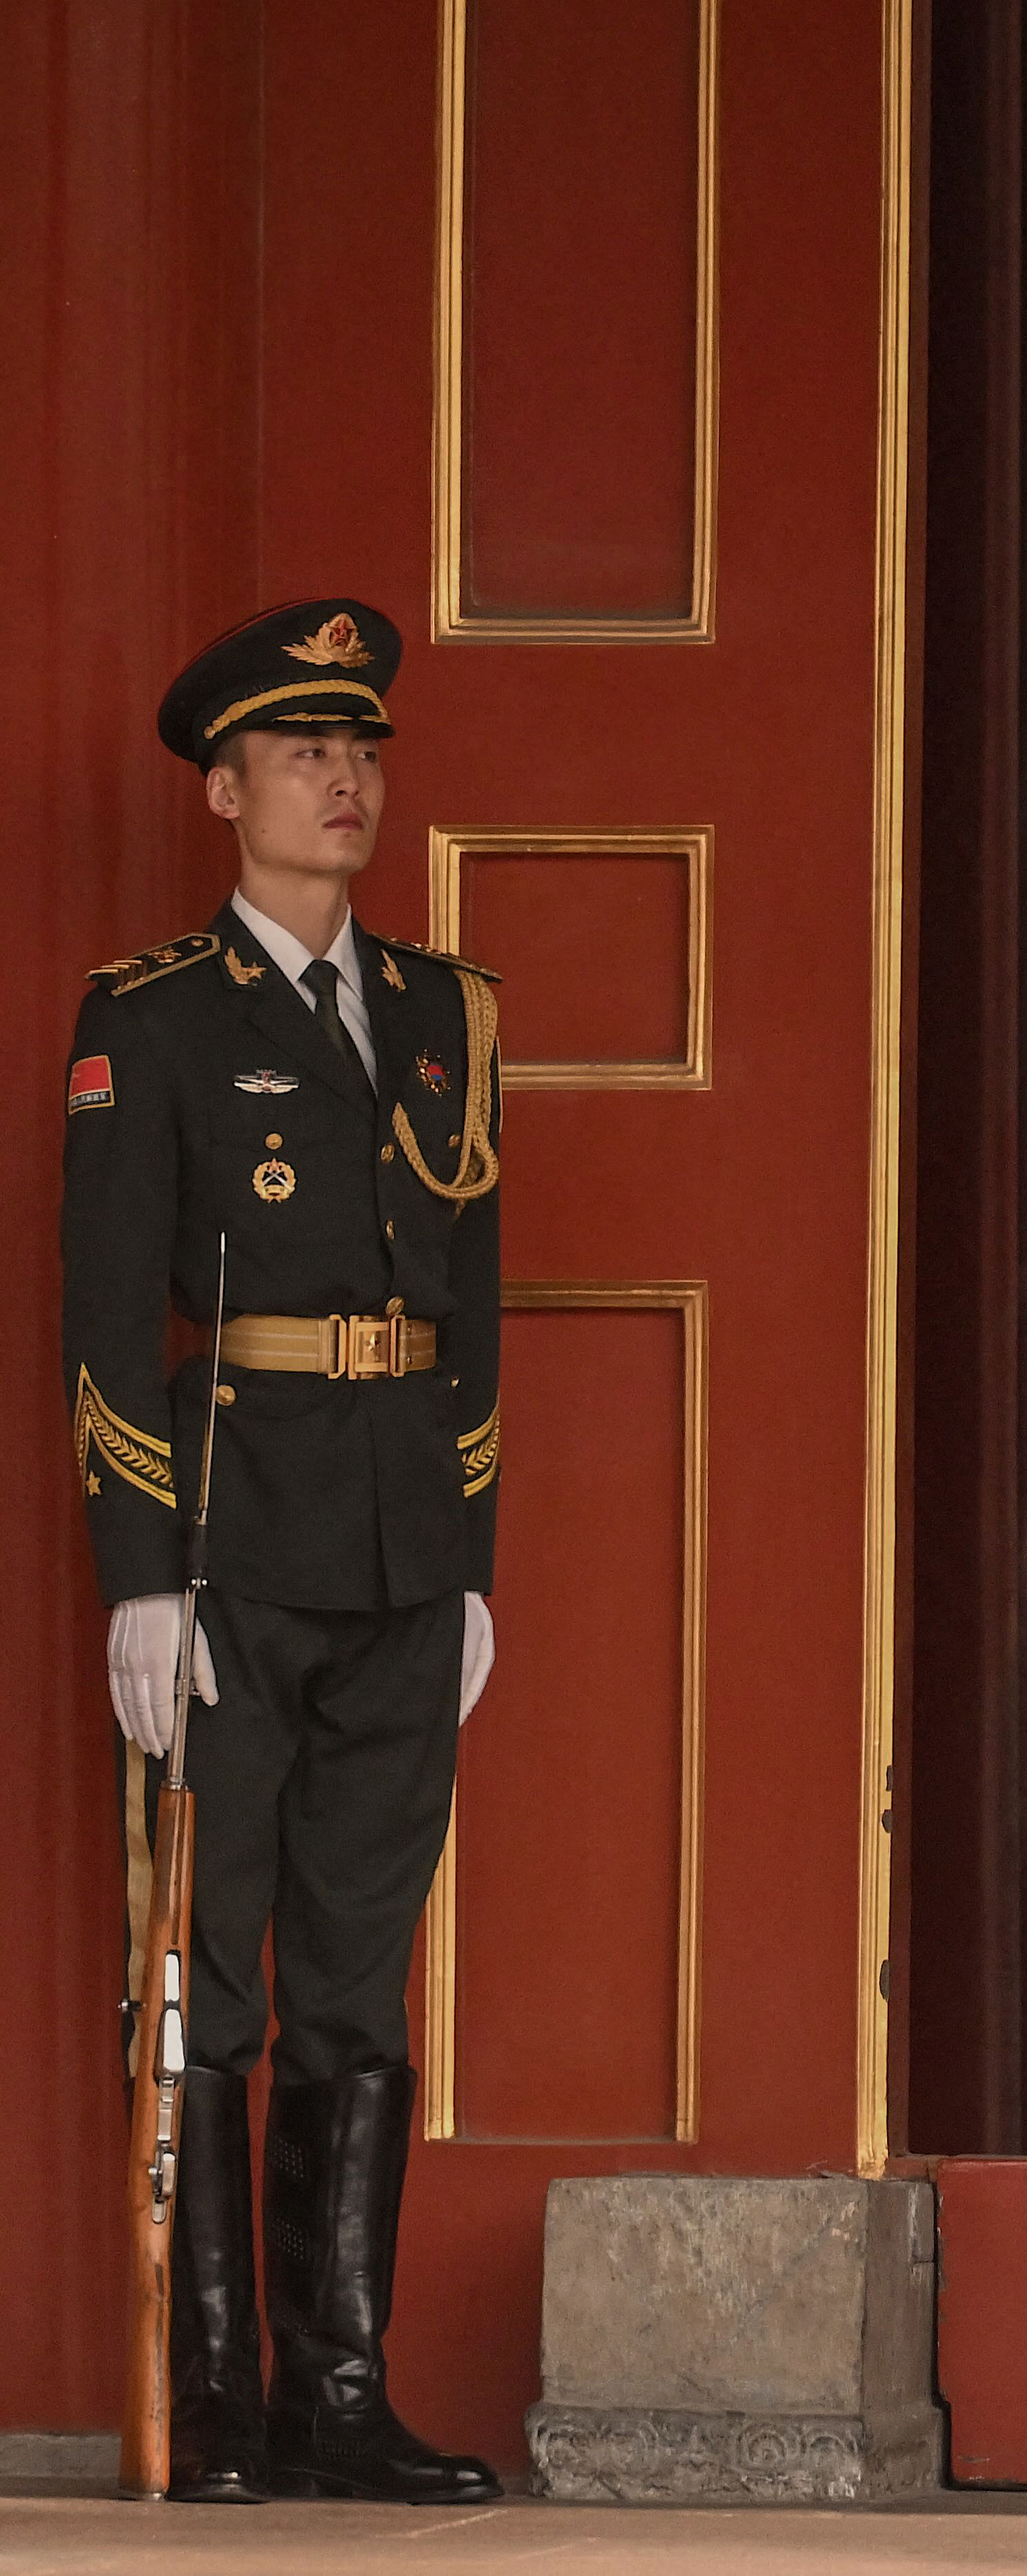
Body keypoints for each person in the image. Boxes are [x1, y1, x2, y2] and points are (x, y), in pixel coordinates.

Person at [65, 599, 506, 2507]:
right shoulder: (154, 1014)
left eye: (367, 751)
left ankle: (342, 2385)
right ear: (226, 787)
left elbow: (471, 1305)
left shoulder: (441, 1015)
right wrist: (138, 1575)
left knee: (355, 1975)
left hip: (405, 1547)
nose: (349, 781)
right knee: (213, 1980)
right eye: (308, 753)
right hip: (233, 1547)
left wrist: (473, 1551)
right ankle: (222, 2394)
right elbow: (103, 1318)